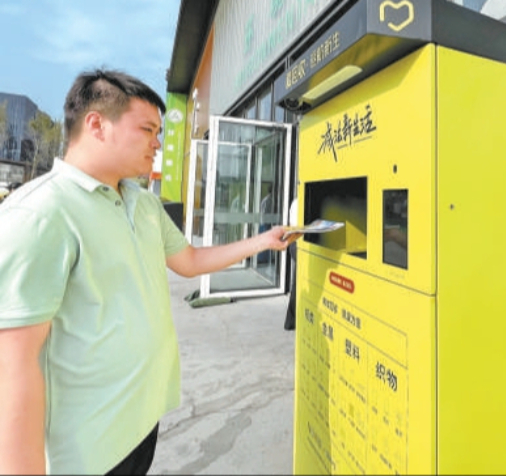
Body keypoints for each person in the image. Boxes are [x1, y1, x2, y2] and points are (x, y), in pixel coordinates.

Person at [0, 68, 294, 475]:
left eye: (159, 133)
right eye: (147, 130)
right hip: (86, 453)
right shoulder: (41, 214)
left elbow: (189, 262)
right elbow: (13, 368)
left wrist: (263, 241)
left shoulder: (145, 204)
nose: (158, 143)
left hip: (141, 424)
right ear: (97, 125)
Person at [284, 197, 299, 331]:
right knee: (297, 282)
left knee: (297, 281)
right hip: (297, 244)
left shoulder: (295, 202)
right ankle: (291, 320)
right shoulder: (299, 203)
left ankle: (291, 320)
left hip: (294, 244)